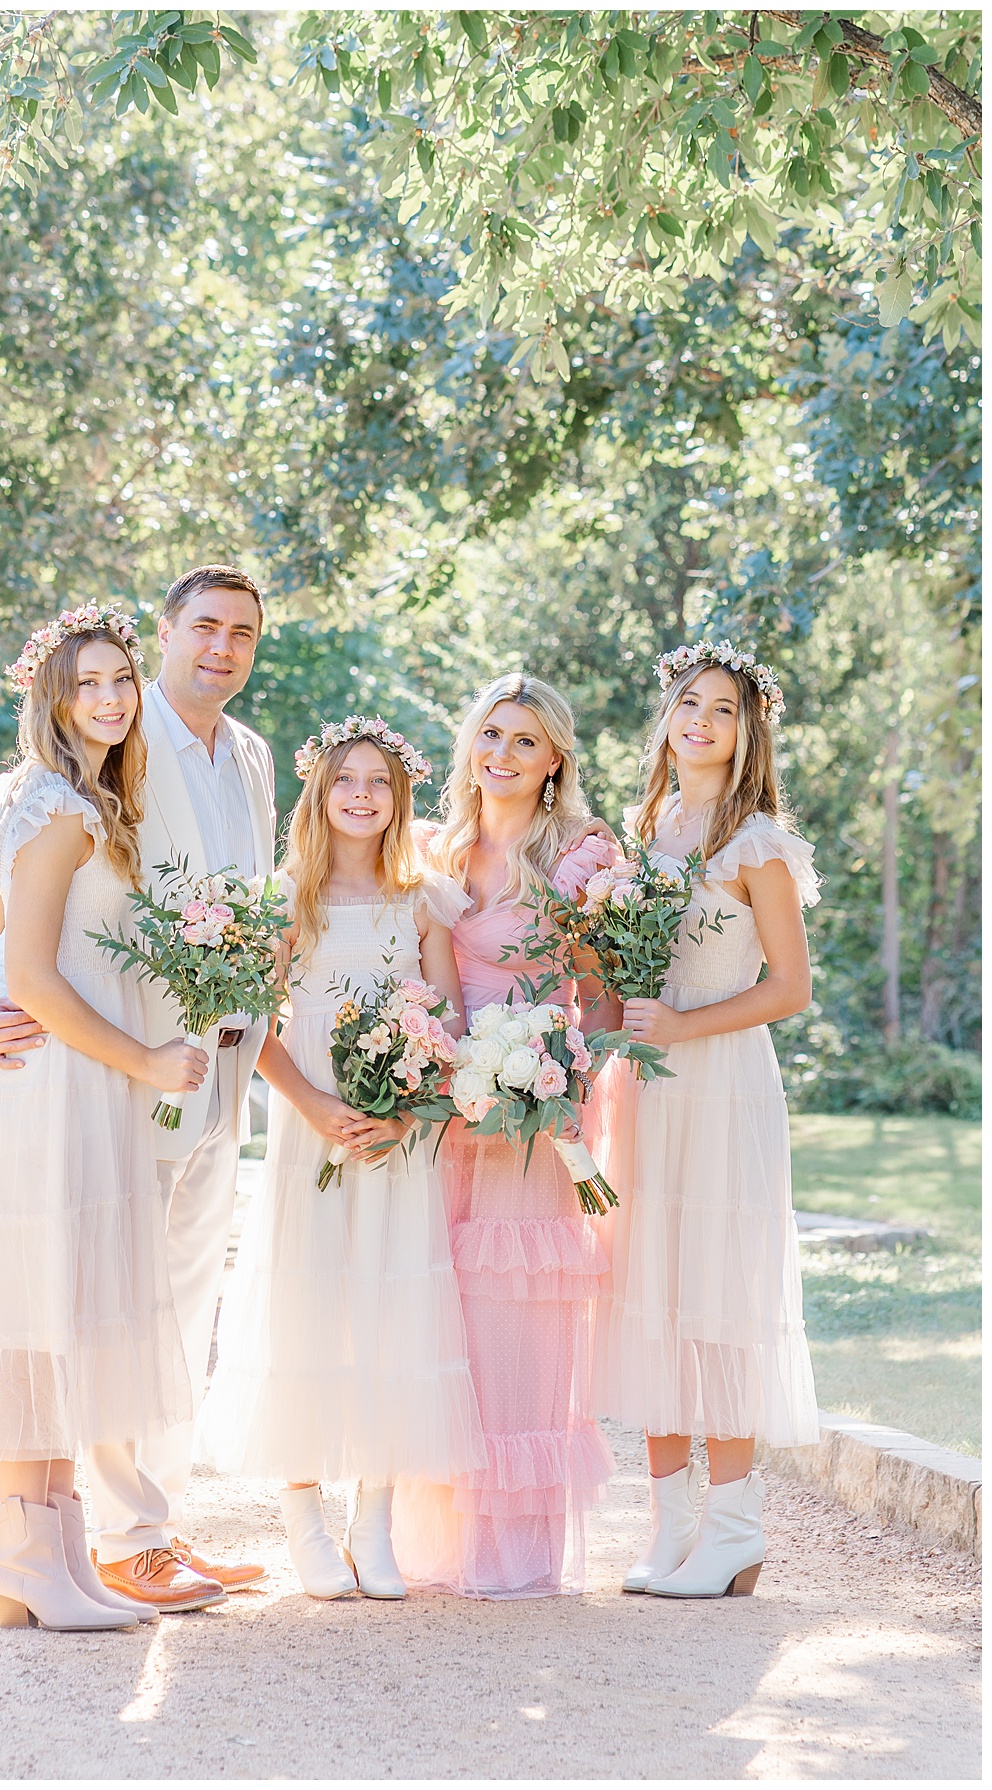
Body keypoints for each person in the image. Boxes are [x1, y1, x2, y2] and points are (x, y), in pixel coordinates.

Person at [0, 566, 274, 1612]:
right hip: (95, 1067)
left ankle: (89, 1542)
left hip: (175, 1066)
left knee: (130, 1301)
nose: (107, 698)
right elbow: (12, 946)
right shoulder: (63, 799)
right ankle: (74, 1546)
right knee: (63, 1296)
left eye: (117, 683)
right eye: (88, 681)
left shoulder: (181, 773)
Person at [195, 718, 485, 1598]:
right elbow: (251, 1023)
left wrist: (405, 1110)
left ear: (401, 800)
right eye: (344, 779)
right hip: (311, 1132)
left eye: (380, 782)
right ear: (319, 795)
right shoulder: (288, 898)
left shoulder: (422, 899)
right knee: (309, 1306)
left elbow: (453, 1023)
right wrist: (315, 1103)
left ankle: (376, 1519)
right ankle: (303, 1518)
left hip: (397, 1142)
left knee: (391, 1314)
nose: (362, 794)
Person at [391, 673, 625, 1598]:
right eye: (491, 734)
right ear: (470, 744)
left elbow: (599, 991)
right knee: (443, 1310)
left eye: (525, 740)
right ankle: (441, 1540)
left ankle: (518, 1548)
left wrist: (570, 1079)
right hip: (450, 1103)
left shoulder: (580, 854)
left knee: (518, 1316)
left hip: (540, 1103)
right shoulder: (433, 848)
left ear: (555, 756)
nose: (503, 755)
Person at [595, 641, 820, 1599]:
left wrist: (687, 1021)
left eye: (723, 709)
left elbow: (792, 987)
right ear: (667, 719)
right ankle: (669, 1528)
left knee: (718, 1299)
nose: (701, 721)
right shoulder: (647, 833)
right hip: (651, 1087)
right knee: (650, 1287)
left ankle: (733, 1528)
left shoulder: (757, 841)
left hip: (724, 1082)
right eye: (689, 704)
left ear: (745, 731)